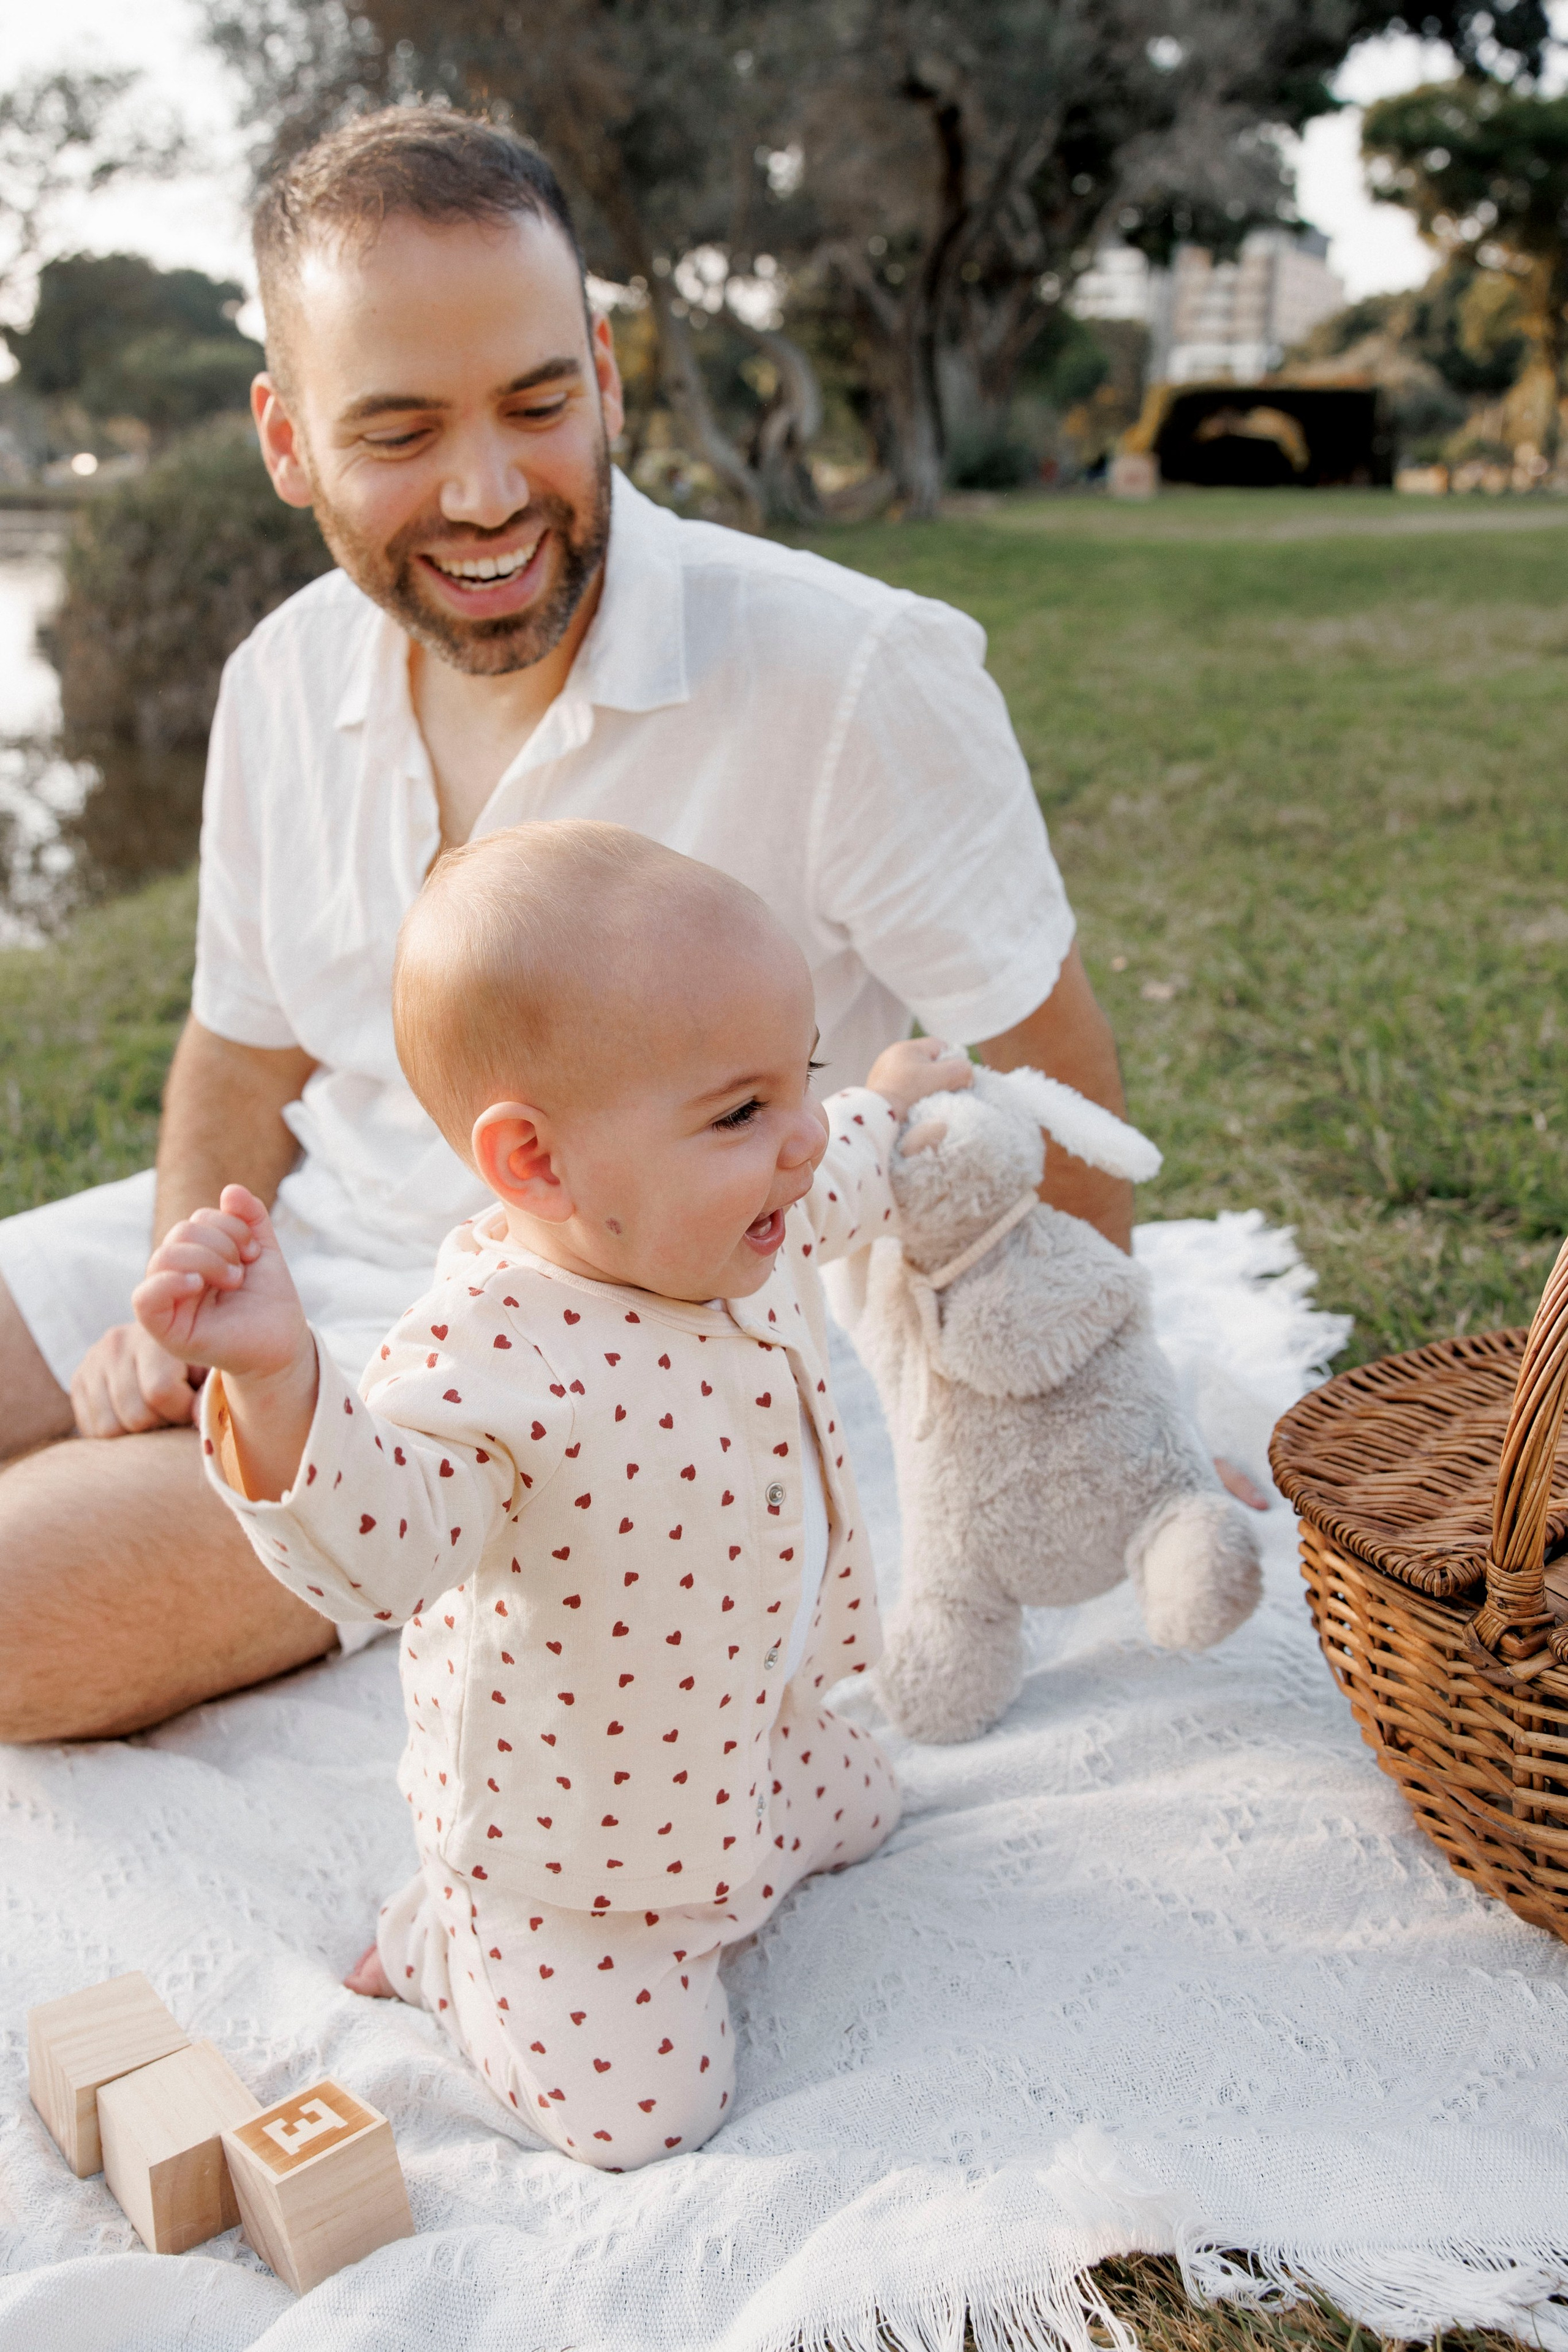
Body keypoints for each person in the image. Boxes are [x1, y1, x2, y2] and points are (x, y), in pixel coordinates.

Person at [0, 105, 1145, 1746]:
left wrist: (1087, 1414)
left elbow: (1053, 1065)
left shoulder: (856, 673)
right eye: (396, 431)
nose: (487, 493)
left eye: (537, 406)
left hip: (592, 1348)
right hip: (301, 1243)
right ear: (285, 439)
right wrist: (179, 1315)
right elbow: (237, 1048)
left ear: (604, 376)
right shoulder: (276, 679)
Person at [134, 821, 967, 2167]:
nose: (801, 1139)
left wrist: (901, 1095)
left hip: (749, 1726)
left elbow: (851, 1166)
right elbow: (379, 1550)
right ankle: (452, 1945)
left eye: (799, 1078)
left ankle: (741, 1832)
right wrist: (285, 1382)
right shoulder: (489, 1363)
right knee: (647, 2120)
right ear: (536, 1164)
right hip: (574, 1844)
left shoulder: (742, 1218)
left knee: (867, 1807)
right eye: (744, 1111)